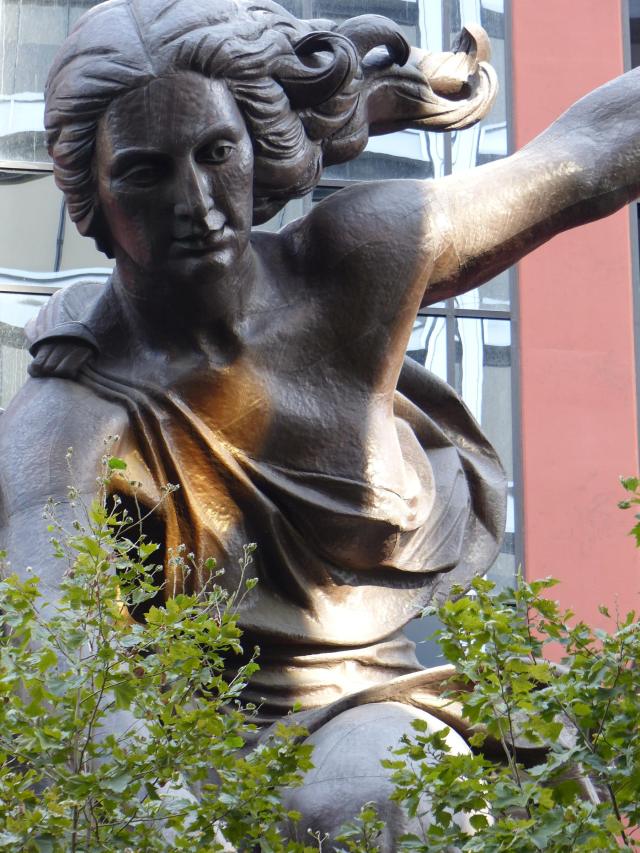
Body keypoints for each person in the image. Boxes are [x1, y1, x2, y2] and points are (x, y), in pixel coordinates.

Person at [1, 0, 640, 845]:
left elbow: (587, 153)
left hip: (374, 707)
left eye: (216, 152)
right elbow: (54, 636)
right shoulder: (69, 411)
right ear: (94, 193)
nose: (196, 200)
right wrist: (168, 821)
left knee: (410, 781)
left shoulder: (355, 263)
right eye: (146, 173)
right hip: (179, 748)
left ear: (257, 143)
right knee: (400, 788)